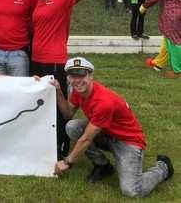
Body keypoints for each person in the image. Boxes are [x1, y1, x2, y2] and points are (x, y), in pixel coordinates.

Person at [52, 57, 174, 198]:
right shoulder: (78, 92)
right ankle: (103, 166)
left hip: (128, 141)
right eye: (72, 76)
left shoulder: (103, 101)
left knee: (132, 191)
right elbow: (67, 114)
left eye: (81, 75)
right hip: (107, 133)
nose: (77, 80)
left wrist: (67, 161)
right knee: (72, 126)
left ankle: (163, 167)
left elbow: (86, 139)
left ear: (91, 76)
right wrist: (58, 91)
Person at [30, 0, 92, 160]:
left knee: (57, 106)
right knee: (40, 105)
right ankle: (43, 143)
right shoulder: (39, 0)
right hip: (36, 59)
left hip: (54, 61)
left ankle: (61, 146)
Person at [140, 0, 181, 79]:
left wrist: (144, 6)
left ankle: (177, 71)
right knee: (169, 41)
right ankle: (158, 64)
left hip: (170, 15)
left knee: (174, 42)